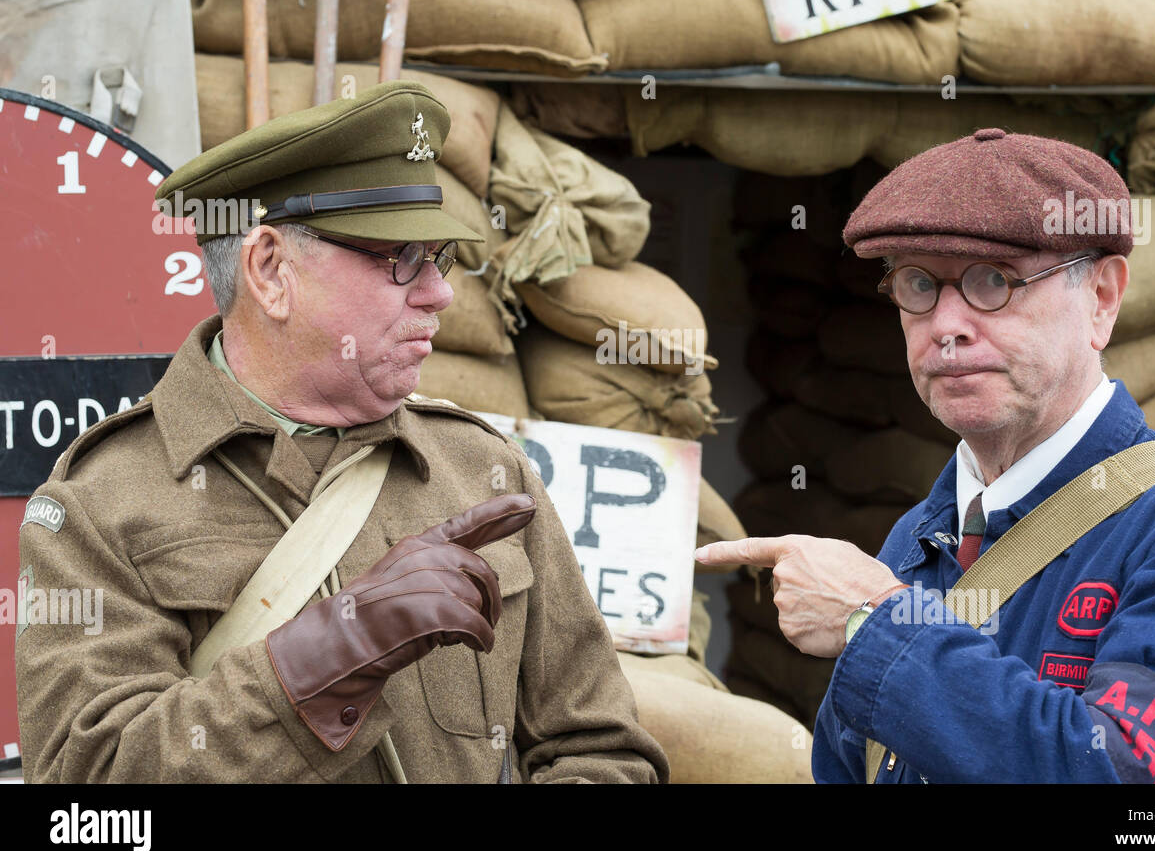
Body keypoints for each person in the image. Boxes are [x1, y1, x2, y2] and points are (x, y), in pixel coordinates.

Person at [15, 81, 667, 783]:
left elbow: (602, 749)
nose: (440, 292)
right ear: (270, 270)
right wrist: (320, 661)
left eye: (438, 257)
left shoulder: (481, 470)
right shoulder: (102, 503)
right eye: (399, 258)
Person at [698, 128, 1155, 783]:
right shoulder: (915, 540)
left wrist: (876, 622)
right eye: (919, 284)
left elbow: (1114, 773)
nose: (947, 325)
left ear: (1101, 298)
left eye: (995, 280)